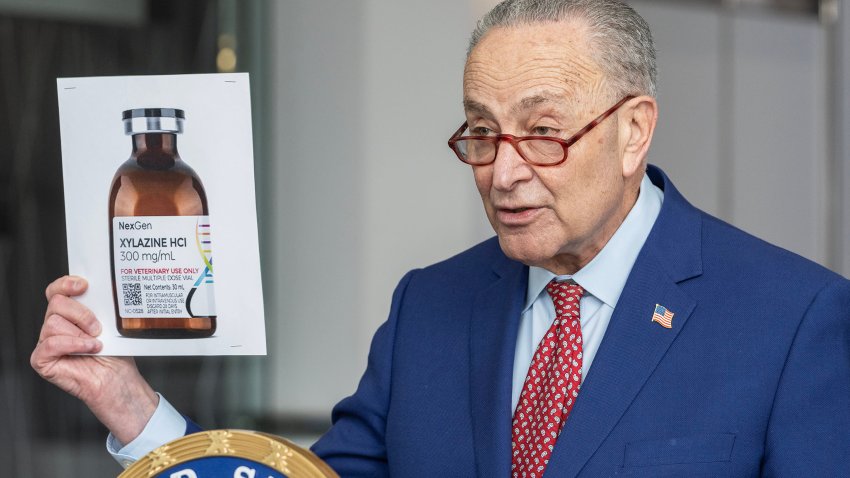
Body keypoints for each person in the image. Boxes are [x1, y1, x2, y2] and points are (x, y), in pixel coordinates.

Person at [33, 0, 850, 476]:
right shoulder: (430, 306)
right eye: (482, 133)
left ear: (634, 132)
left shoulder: (794, 320)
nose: (503, 172)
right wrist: (137, 413)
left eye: (542, 133)